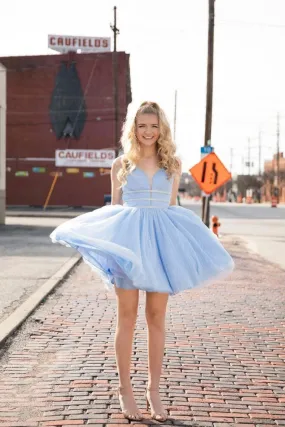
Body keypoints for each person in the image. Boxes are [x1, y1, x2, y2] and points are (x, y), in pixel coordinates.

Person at [50, 101, 234, 422]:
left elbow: (173, 206)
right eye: (142, 126)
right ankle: (125, 390)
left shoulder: (172, 164)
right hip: (130, 247)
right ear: (133, 129)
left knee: (156, 317)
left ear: (161, 128)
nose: (148, 132)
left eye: (153, 126)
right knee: (127, 317)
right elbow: (116, 209)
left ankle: (153, 390)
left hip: (161, 246)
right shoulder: (121, 164)